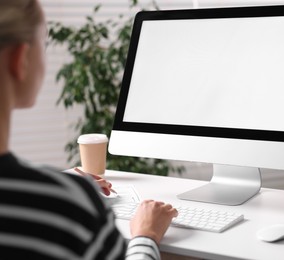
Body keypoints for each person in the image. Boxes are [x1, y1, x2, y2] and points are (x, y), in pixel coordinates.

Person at [0, 0, 178, 259]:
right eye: (44, 44)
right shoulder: (65, 207)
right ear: (20, 59)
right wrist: (146, 236)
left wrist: (59, 184)